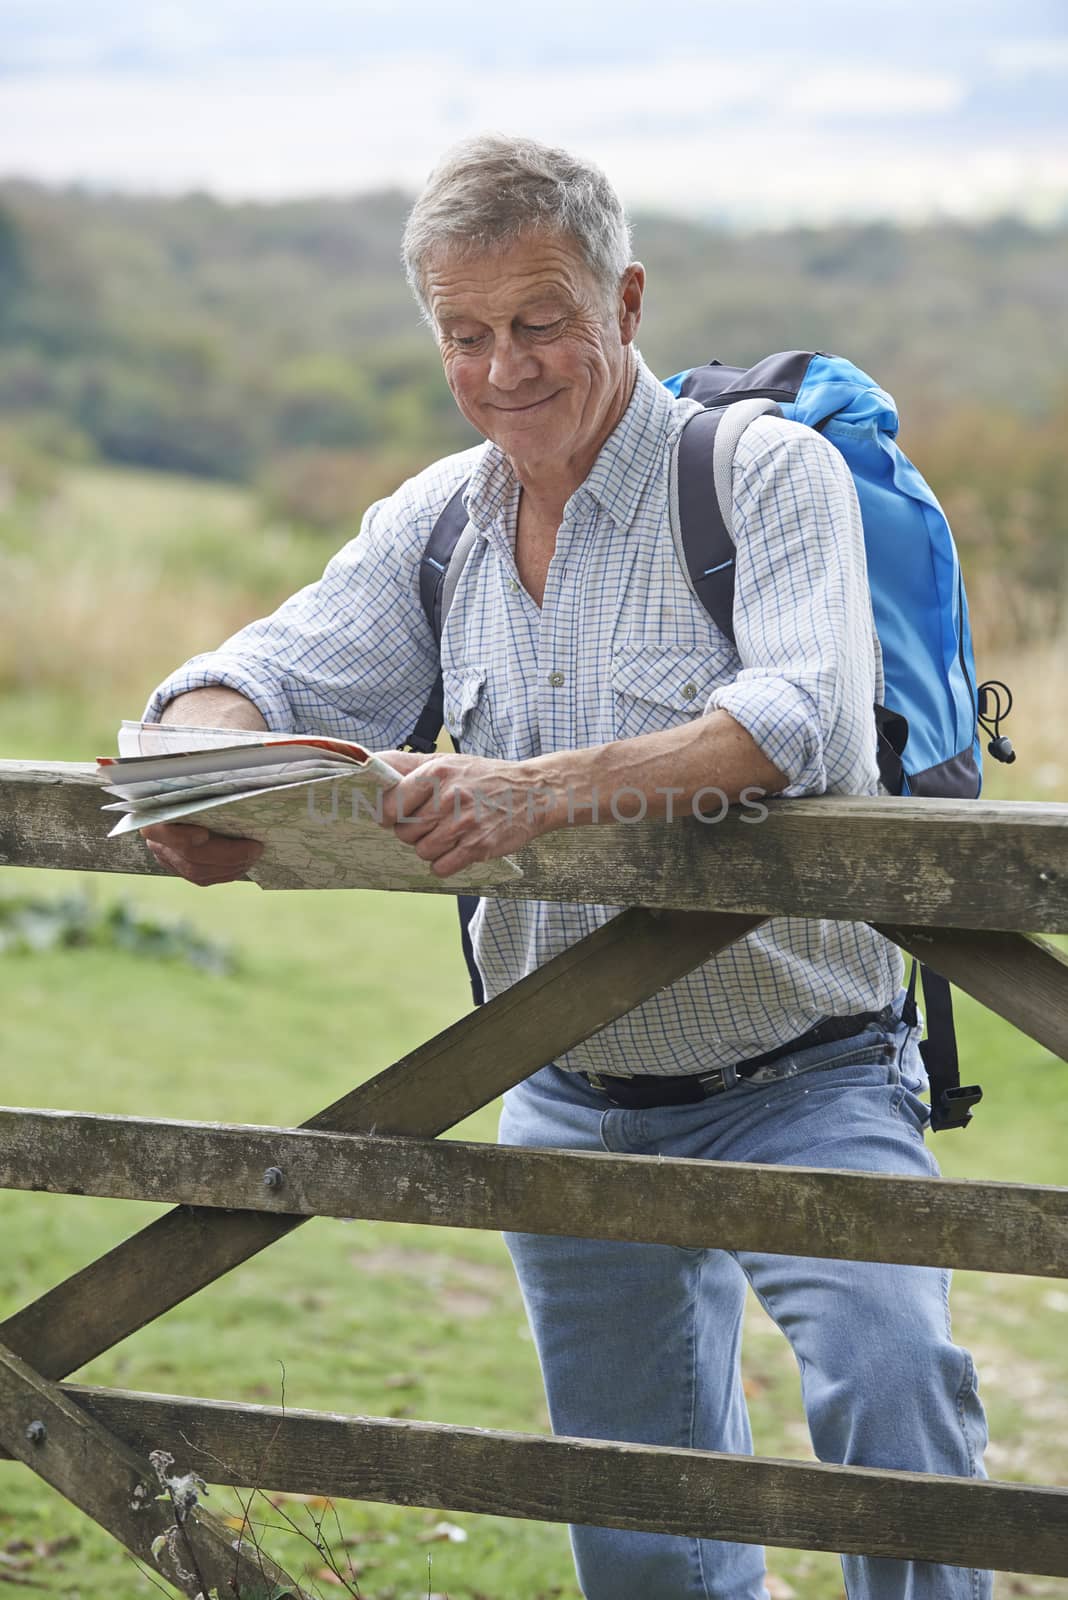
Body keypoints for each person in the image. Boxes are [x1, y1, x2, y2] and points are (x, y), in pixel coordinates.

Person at [141, 134, 990, 1600]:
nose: (504, 368)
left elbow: (801, 715)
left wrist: (539, 794)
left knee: (897, 1403)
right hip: (567, 1093)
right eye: (464, 335)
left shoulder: (764, 475)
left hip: (811, 1077)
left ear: (628, 300)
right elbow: (255, 671)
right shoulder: (439, 521)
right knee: (644, 1527)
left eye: (541, 321)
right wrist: (206, 766)